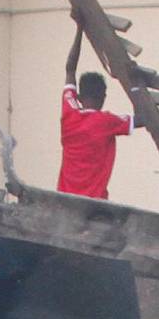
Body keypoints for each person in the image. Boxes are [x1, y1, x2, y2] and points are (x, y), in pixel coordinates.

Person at [58, 33, 131, 200]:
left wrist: (79, 30)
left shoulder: (69, 113)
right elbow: (141, 119)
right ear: (103, 97)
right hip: (94, 204)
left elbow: (70, 69)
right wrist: (136, 88)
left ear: (79, 95)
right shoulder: (106, 122)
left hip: (64, 199)